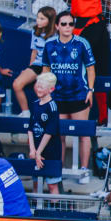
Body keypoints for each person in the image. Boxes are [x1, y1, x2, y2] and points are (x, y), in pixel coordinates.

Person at [43, 10, 96, 182]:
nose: (67, 27)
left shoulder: (82, 43)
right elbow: (45, 70)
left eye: (71, 24)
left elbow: (90, 69)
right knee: (59, 135)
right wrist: (46, 92)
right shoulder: (49, 45)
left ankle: (84, 171)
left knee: (83, 133)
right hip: (57, 97)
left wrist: (90, 90)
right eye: (64, 24)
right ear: (57, 26)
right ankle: (58, 170)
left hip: (78, 94)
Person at [12, 8, 57, 115]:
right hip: (37, 64)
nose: (38, 21)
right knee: (16, 84)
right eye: (38, 18)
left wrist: (45, 73)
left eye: (42, 19)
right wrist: (29, 69)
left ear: (50, 20)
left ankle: (45, 114)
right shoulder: (35, 30)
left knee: (38, 88)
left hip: (49, 66)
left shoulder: (56, 34)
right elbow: (34, 52)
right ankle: (26, 112)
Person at [27, 72, 63, 193]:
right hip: (36, 151)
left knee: (52, 185)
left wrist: (39, 152)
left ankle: (56, 210)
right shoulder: (34, 104)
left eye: (42, 87)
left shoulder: (52, 107)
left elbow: (49, 132)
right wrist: (33, 150)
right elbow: (30, 129)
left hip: (50, 152)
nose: (38, 89)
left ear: (51, 89)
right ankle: (35, 210)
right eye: (37, 86)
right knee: (36, 183)